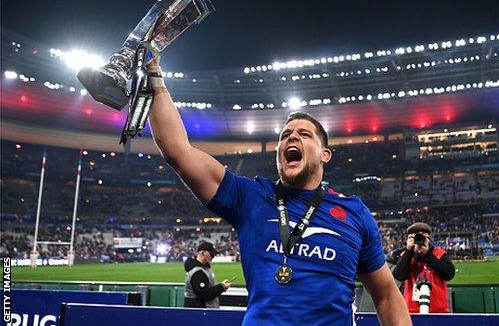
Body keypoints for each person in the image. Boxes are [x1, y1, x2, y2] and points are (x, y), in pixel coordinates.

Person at [146, 56, 411, 326]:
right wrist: (155, 82)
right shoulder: (249, 196)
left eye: (304, 135)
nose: (292, 137)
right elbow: (178, 151)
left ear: (325, 155)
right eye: (285, 135)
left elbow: (387, 295)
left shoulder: (355, 213)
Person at [393, 222, 455, 313]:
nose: (419, 239)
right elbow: (399, 276)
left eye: (422, 236)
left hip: (438, 311)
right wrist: (408, 251)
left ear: (429, 238)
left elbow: (449, 274)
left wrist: (427, 255)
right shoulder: (407, 255)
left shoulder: (439, 253)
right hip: (412, 311)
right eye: (414, 236)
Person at [184, 241, 232, 308]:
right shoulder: (198, 272)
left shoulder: (203, 269)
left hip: (204, 312)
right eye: (211, 254)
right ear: (202, 253)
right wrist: (221, 287)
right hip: (201, 313)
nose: (213, 256)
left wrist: (221, 286)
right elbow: (204, 294)